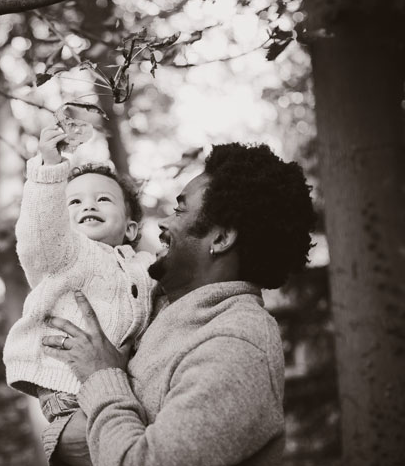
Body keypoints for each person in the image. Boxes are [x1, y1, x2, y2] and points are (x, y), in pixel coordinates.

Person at [42, 143, 316, 466]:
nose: (164, 223)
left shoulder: (239, 343)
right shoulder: (154, 308)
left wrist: (102, 376)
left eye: (181, 210)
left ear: (221, 238)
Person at [2, 126, 157, 459]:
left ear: (130, 228)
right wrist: (49, 167)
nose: (89, 205)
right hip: (70, 402)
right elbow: (40, 232)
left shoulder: (142, 265)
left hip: (118, 395)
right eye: (73, 201)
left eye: (103, 199)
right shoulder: (66, 254)